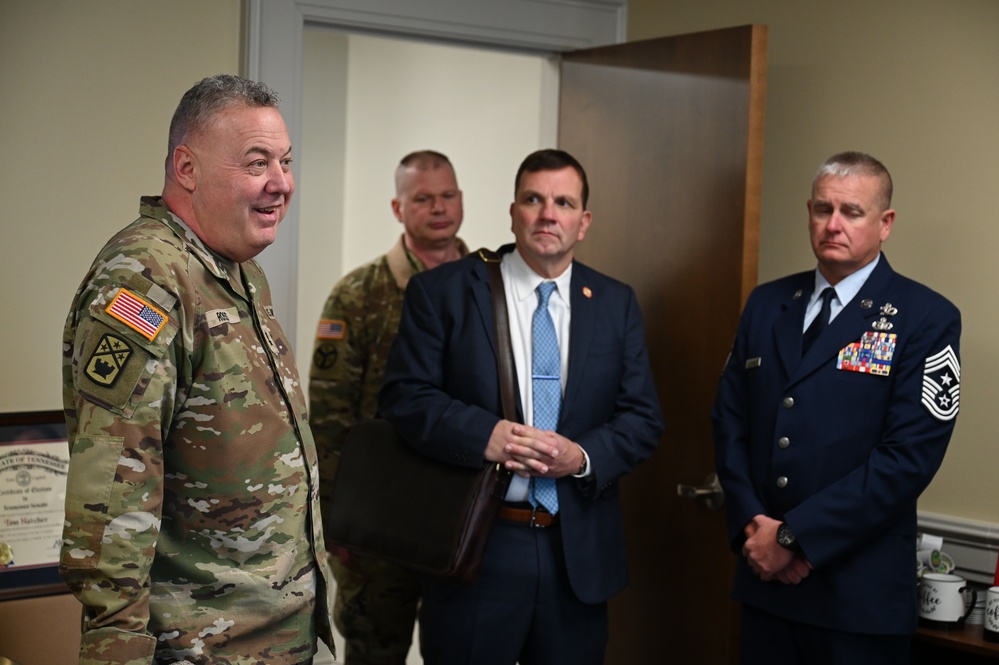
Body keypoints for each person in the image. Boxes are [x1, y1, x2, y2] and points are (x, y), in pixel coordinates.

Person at [60, 74, 334, 665]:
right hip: (198, 648)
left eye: (286, 161)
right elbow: (112, 493)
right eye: (257, 162)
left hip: (272, 638)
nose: (282, 183)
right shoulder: (147, 282)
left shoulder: (236, 271)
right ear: (187, 168)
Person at [379, 148, 664, 664]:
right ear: (514, 212)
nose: (547, 214)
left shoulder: (616, 302)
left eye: (563, 202)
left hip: (576, 553)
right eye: (533, 199)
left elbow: (643, 419)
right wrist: (485, 435)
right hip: (479, 545)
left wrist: (580, 457)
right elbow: (404, 398)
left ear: (583, 221)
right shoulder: (442, 292)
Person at [712, 151, 961, 664]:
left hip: (856, 600)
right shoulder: (767, 303)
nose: (833, 224)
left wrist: (794, 537)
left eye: (851, 212)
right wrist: (752, 531)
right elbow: (729, 423)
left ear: (885, 223)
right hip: (767, 587)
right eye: (822, 209)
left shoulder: (925, 317)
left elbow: (907, 459)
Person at [309, 150, 467, 663]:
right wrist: (338, 519)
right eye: (423, 198)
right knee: (376, 649)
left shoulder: (491, 284)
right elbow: (331, 419)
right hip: (381, 520)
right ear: (399, 208)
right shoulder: (358, 295)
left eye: (448, 196)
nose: (438, 208)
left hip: (465, 513)